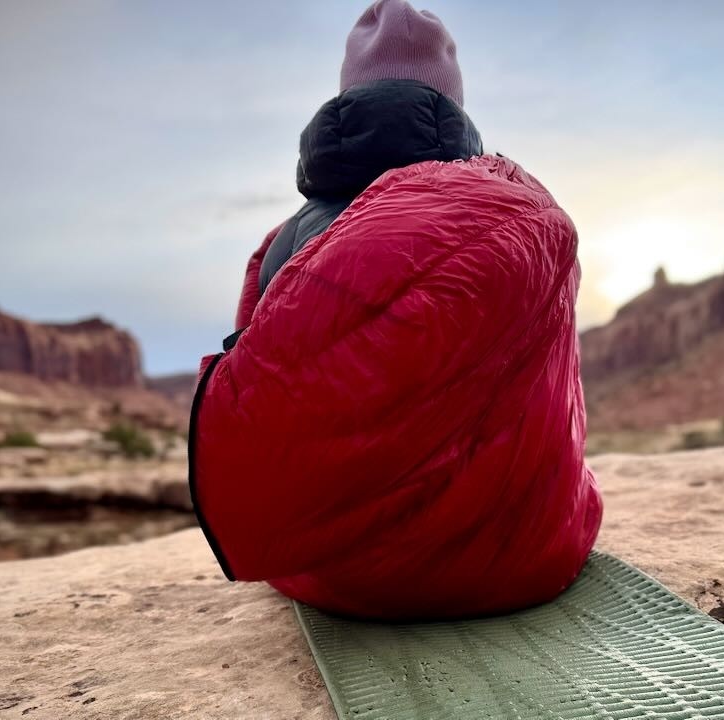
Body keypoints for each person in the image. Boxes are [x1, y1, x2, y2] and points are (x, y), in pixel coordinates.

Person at [189, 0, 602, 620]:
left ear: (346, 99)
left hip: (343, 575)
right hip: (526, 556)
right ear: (452, 103)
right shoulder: (512, 210)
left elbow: (262, 395)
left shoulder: (286, 242)